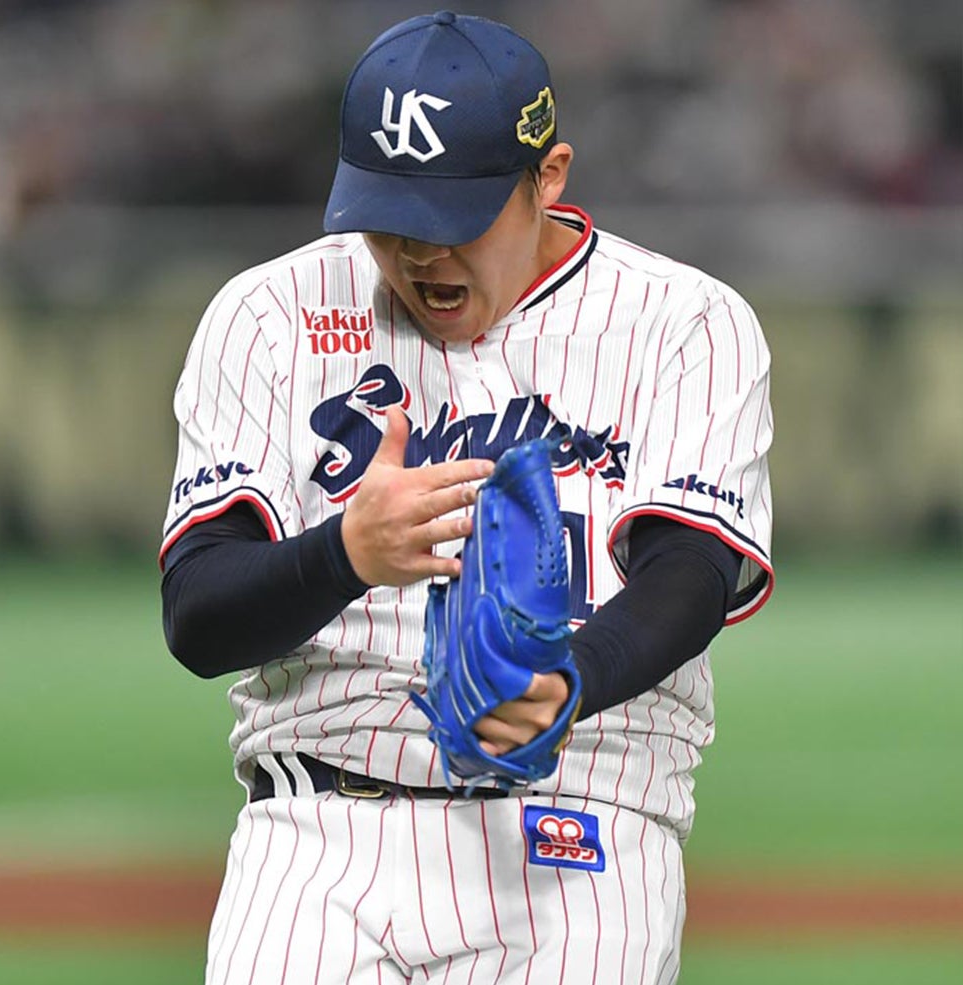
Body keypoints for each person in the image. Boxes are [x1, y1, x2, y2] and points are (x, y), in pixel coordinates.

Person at [160, 11, 774, 985]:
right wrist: (344, 554)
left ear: (549, 176)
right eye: (389, 217)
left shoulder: (684, 324)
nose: (420, 253)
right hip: (316, 839)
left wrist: (571, 679)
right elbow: (199, 617)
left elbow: (690, 575)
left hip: (579, 829)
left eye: (454, 218)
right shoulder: (267, 315)